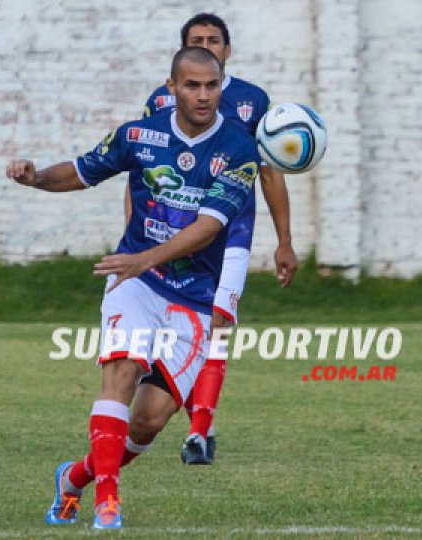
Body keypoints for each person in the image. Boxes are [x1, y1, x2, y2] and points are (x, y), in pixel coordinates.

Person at [7, 47, 260, 530]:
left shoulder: (239, 149)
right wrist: (36, 178)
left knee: (147, 423)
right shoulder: (139, 136)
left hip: (193, 296)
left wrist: (144, 256)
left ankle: (74, 478)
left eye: (212, 85)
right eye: (192, 85)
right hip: (136, 281)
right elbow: (81, 170)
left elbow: (208, 227)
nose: (203, 95)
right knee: (121, 374)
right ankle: (108, 504)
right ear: (172, 88)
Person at [134, 12, 298, 465]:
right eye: (197, 40)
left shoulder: (252, 101)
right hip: (174, 234)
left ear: (228, 50)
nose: (206, 46)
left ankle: (199, 433)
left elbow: (270, 173)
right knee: (174, 329)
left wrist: (284, 240)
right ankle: (179, 408)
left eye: (213, 40)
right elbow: (141, 172)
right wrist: (136, 238)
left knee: (219, 324)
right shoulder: (160, 101)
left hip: (232, 235)